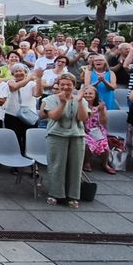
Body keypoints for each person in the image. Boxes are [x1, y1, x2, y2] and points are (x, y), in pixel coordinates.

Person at [42, 73, 89, 208]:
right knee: (57, 166)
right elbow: (54, 116)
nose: (65, 87)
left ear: (74, 86)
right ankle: (55, 194)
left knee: (75, 166)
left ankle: (73, 196)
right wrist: (62, 103)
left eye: (69, 84)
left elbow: (83, 118)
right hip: (57, 135)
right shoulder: (51, 99)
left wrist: (79, 102)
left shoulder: (81, 99)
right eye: (62, 84)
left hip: (77, 135)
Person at [79, 86, 113, 174]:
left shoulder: (100, 106)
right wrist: (93, 112)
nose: (88, 95)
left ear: (95, 95)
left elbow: (103, 122)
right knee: (88, 144)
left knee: (104, 143)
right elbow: (82, 120)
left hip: (96, 129)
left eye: (90, 93)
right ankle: (86, 162)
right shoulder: (80, 105)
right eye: (86, 93)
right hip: (83, 129)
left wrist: (101, 111)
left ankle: (105, 164)